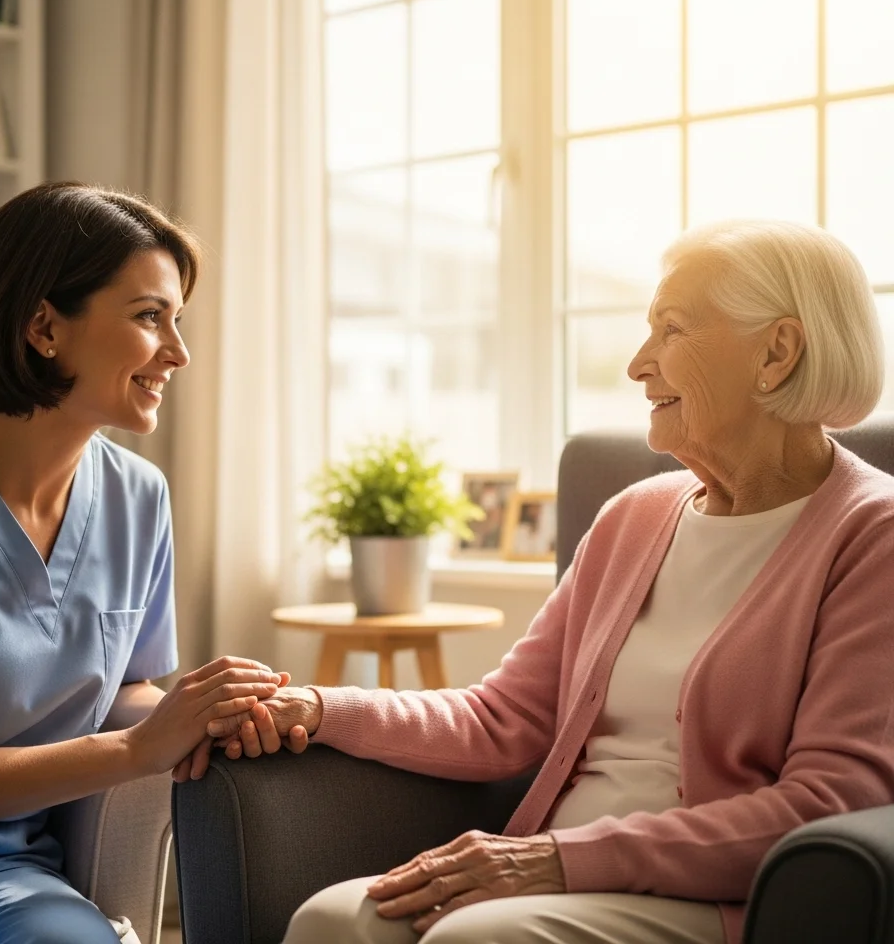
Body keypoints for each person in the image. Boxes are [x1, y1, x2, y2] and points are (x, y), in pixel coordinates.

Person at [207, 219, 894, 944]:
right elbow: (502, 719)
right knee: (331, 920)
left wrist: (558, 860)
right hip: (552, 870)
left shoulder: (871, 534)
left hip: (706, 898)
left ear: (777, 352)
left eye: (672, 330)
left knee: (471, 941)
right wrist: (317, 707)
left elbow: (825, 805)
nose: (637, 364)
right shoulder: (636, 515)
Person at [0, 182, 287, 943]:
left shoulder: (140, 497)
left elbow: (127, 688)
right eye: (149, 316)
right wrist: (133, 748)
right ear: (43, 328)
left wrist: (201, 714)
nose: (179, 352)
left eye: (177, 320)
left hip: (10, 870)